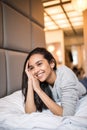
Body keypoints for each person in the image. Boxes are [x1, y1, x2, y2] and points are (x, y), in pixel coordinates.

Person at [22, 47, 86, 116]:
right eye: (32, 68)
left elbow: (67, 114)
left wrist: (38, 90)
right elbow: (29, 113)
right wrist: (30, 81)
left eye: (39, 64)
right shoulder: (38, 81)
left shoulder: (65, 74)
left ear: (52, 63)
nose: (36, 70)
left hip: (83, 85)